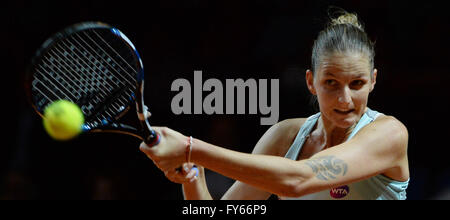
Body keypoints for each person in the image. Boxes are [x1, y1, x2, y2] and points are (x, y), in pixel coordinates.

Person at [139, 9, 410, 200]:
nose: (345, 98)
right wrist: (192, 176)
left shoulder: (389, 135)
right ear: (311, 82)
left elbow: (298, 181)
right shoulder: (285, 138)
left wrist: (190, 149)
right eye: (330, 83)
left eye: (357, 84)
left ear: (373, 81)